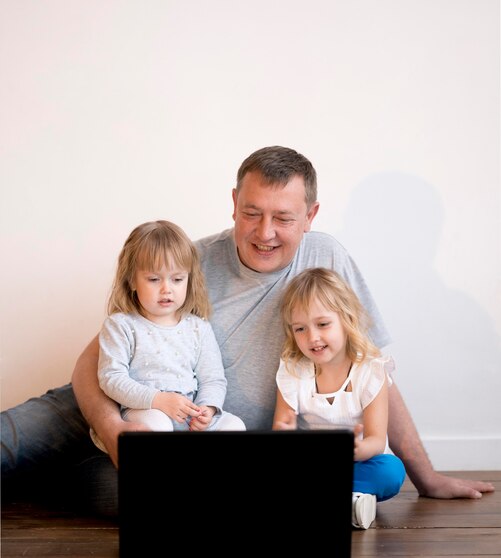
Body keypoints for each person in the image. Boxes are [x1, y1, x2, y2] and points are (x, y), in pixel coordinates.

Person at [1, 146, 494, 517]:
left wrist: (424, 475)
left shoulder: (328, 260)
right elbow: (94, 361)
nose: (265, 233)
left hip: (190, 445)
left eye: (283, 218)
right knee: (12, 444)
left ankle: (48, 481)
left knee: (147, 502)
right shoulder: (190, 262)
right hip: (114, 401)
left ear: (311, 216)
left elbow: (373, 372)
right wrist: (111, 430)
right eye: (252, 213)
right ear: (234, 202)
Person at [93, 219, 245, 452]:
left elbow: (213, 378)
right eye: (154, 279)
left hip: (188, 414)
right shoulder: (121, 325)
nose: (167, 289)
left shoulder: (198, 328)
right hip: (145, 410)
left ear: (188, 279)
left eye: (177, 279)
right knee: (158, 425)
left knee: (235, 426)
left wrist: (208, 408)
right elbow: (112, 378)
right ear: (132, 280)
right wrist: (158, 400)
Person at [272, 267, 405, 529]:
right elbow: (281, 426)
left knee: (391, 471)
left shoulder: (371, 371)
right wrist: (283, 434)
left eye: (322, 324)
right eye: (300, 329)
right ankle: (352, 503)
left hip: (361, 462)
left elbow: (377, 440)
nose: (313, 337)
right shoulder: (292, 370)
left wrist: (356, 451)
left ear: (346, 319)